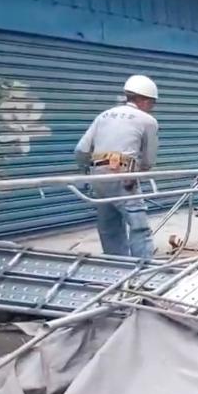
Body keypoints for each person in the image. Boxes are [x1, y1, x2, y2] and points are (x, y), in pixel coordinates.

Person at [74, 75, 160, 259]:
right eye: (152, 103)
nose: (152, 108)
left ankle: (116, 270)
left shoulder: (103, 116)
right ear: (144, 100)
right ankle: (143, 272)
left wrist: (87, 172)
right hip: (124, 174)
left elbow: (81, 150)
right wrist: (139, 174)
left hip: (99, 175)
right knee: (139, 228)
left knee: (109, 226)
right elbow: (148, 159)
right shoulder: (147, 120)